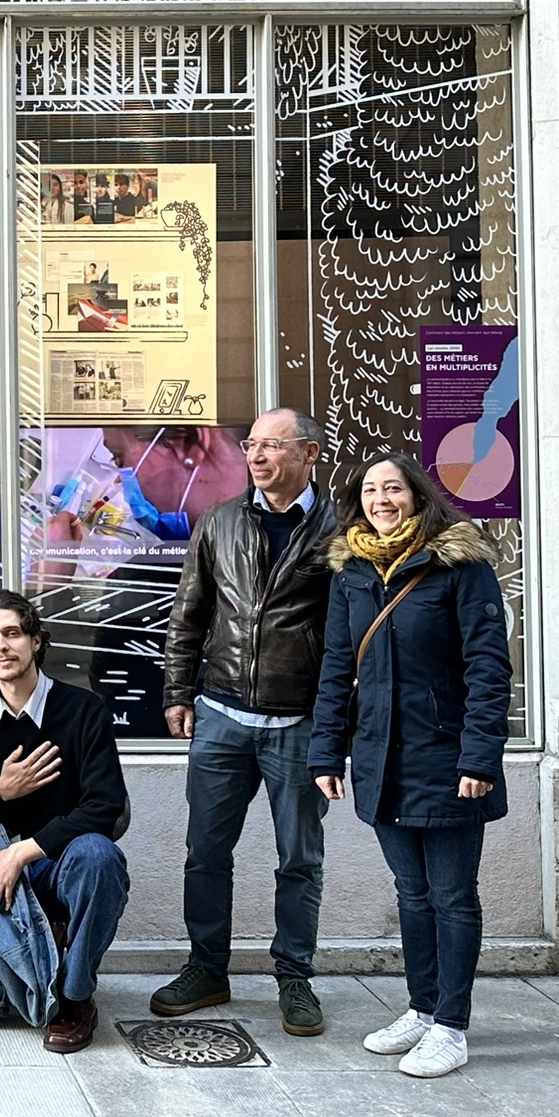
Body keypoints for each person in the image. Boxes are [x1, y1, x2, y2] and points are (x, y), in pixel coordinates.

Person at [310, 453, 511, 1078]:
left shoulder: (461, 566)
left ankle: (452, 1026)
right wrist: (327, 750)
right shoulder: (354, 572)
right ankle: (422, 1011)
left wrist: (479, 755)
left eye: (392, 488)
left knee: (453, 897)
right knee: (413, 893)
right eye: (370, 490)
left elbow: (488, 668)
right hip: (382, 758)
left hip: (449, 758)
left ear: (417, 495)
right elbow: (338, 669)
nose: (381, 499)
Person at [152, 408, 338, 1035]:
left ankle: (295, 978)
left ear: (309, 454)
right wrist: (179, 692)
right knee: (205, 852)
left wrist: (338, 727)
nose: (257, 456)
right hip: (222, 714)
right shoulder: (220, 521)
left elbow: (350, 638)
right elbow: (190, 613)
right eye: (251, 445)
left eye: (272, 446)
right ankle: (207, 968)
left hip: (300, 722)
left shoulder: (341, 529)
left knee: (300, 859)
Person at [0, 593, 130, 1052]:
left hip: (57, 863)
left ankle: (75, 999)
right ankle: (44, 961)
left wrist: (22, 851)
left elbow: (105, 805)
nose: (1, 646)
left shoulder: (82, 710)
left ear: (36, 641)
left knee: (100, 855)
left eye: (12, 634)